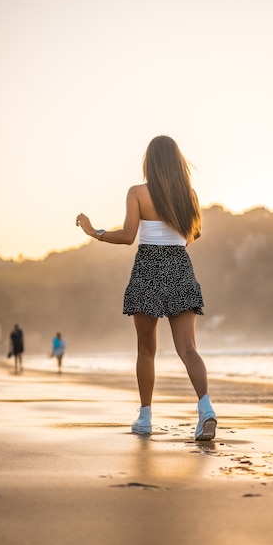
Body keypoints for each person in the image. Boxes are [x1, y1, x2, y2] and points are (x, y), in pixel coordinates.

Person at [75, 135, 217, 441]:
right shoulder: (189, 195)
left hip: (148, 268)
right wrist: (175, 243)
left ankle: (145, 417)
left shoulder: (138, 192)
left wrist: (93, 231)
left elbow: (128, 236)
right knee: (188, 348)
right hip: (179, 266)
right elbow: (195, 234)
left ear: (149, 162)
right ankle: (206, 410)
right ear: (178, 162)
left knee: (146, 350)